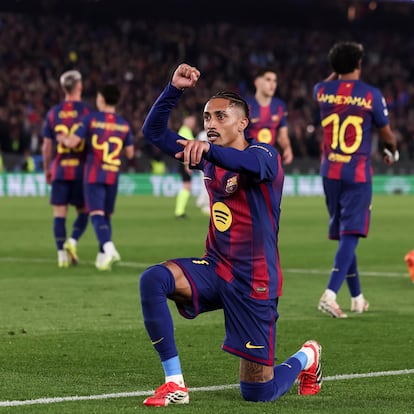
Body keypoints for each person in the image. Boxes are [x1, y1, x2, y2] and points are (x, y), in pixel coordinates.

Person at [139, 63, 322, 407]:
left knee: (257, 393)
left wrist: (207, 150)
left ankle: (307, 356)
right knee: (153, 279)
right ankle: (174, 383)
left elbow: (249, 165)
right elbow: (153, 132)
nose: (210, 124)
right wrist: (173, 90)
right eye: (207, 117)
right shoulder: (208, 157)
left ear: (243, 123)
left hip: (255, 280)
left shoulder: (264, 154)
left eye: (220, 116)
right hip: (216, 268)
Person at [313, 41, 399, 318]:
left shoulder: (321, 90)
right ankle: (330, 294)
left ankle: (357, 297)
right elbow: (386, 134)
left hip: (330, 172)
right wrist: (392, 150)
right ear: (359, 64)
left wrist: (337, 69)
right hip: (357, 174)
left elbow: (327, 82)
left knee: (345, 236)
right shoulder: (371, 94)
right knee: (350, 235)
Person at [57, 83, 134, 271]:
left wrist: (63, 138)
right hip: (112, 174)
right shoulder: (124, 124)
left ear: (101, 98)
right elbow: (130, 153)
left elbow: (72, 142)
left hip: (94, 174)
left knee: (96, 214)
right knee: (107, 216)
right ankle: (101, 258)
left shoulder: (90, 119)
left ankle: (108, 248)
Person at [41, 70, 92, 268]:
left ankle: (61, 255)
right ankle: (73, 240)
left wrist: (47, 169)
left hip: (60, 169)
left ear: (63, 88)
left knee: (59, 214)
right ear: (80, 86)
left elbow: (47, 146)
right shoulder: (87, 112)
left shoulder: (53, 112)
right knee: (84, 211)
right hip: (81, 170)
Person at [245, 67, 293, 165]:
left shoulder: (280, 106)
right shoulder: (245, 105)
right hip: (248, 157)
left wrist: (287, 148)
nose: (272, 84)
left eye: (275, 81)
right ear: (257, 82)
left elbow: (282, 135)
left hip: (269, 158)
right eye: (268, 80)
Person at [174, 114, 197, 218]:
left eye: (194, 121)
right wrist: (187, 164)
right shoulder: (185, 131)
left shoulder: (185, 131)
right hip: (184, 163)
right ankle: (179, 212)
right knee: (187, 187)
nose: (193, 123)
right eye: (191, 121)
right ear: (185, 121)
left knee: (187, 186)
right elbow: (185, 148)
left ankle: (180, 211)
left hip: (184, 162)